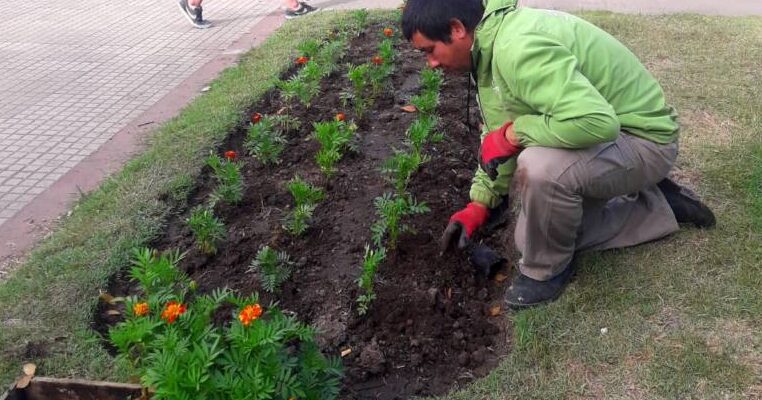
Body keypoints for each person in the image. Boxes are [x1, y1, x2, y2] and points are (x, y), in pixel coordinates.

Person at [401, 0, 716, 308]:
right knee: (531, 238)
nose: (431, 63)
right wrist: (480, 203)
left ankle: (546, 272)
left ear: (456, 29)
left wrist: (515, 134)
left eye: (429, 50)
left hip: (645, 140)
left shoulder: (516, 49)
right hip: (617, 135)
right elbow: (497, 131)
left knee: (540, 169)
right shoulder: (489, 44)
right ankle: (657, 201)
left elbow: (596, 122)